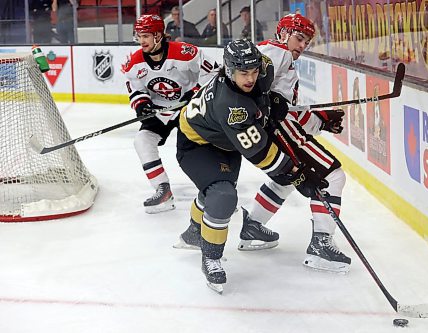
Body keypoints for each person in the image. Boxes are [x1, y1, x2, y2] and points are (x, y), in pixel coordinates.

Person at [175, 39, 327, 292]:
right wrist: (297, 174)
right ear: (229, 70)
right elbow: (261, 154)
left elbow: (268, 85)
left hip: (225, 141)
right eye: (243, 73)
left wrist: (274, 99)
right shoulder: (231, 106)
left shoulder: (262, 67)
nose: (250, 78)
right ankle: (211, 257)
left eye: (254, 72)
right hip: (197, 144)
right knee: (223, 196)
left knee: (212, 190)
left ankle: (194, 230)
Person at [238, 13, 352, 273]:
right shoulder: (277, 51)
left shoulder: (275, 55)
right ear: (283, 33)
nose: (301, 46)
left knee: (285, 178)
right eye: (298, 38)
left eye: (306, 42)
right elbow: (259, 94)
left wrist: (319, 121)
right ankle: (321, 245)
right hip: (279, 131)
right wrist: (268, 102)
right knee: (332, 177)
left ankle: (253, 225)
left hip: (272, 131)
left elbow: (285, 108)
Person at [122, 14, 217, 214]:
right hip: (161, 110)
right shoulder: (135, 61)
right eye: (139, 36)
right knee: (142, 140)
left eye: (146, 36)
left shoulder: (185, 52)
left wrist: (195, 93)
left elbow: (214, 73)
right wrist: (142, 104)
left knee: (191, 152)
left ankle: (215, 193)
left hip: (189, 108)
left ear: (158, 35)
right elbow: (134, 87)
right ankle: (162, 190)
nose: (141, 41)